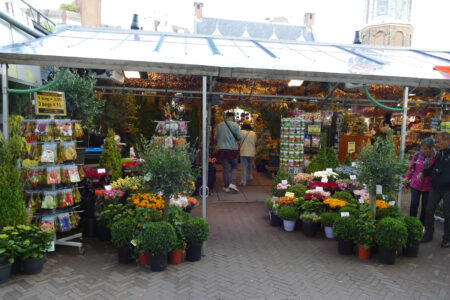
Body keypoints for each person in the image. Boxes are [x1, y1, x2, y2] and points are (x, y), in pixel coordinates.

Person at [417, 132, 450, 247]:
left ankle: (447, 238)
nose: (437, 144)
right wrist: (423, 172)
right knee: (429, 210)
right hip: (436, 187)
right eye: (436, 141)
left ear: (448, 141)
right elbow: (433, 167)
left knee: (448, 214)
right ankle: (429, 234)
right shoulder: (440, 153)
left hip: (448, 189)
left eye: (439, 141)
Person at [405, 138, 436, 224]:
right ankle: (411, 222)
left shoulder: (435, 157)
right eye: (422, 148)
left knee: (425, 207)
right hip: (416, 183)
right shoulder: (417, 155)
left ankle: (422, 224)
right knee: (414, 203)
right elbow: (411, 168)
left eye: (425, 149)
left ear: (431, 148)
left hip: (428, 186)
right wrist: (406, 180)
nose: (423, 150)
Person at [215, 112, 242, 193]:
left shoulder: (219, 125)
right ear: (232, 117)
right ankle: (232, 183)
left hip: (223, 149)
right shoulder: (235, 125)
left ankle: (226, 186)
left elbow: (215, 137)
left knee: (225, 168)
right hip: (233, 149)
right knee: (234, 167)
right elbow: (240, 137)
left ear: (226, 117)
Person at [239, 121, 257, 186]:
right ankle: (249, 176)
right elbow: (255, 141)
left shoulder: (241, 132)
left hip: (243, 151)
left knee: (243, 167)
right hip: (251, 151)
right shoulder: (253, 133)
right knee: (250, 165)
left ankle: (243, 181)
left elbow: (238, 141)